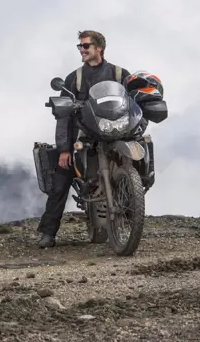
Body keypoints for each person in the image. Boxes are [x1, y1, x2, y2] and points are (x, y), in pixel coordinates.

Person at [37, 30, 131, 248]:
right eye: (80, 46)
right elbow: (62, 116)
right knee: (61, 181)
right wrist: (63, 149)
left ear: (99, 48)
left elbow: (133, 101)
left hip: (115, 133)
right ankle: (48, 233)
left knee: (137, 165)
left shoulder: (119, 74)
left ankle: (129, 220)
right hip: (83, 137)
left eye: (86, 46)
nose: (82, 49)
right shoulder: (74, 78)